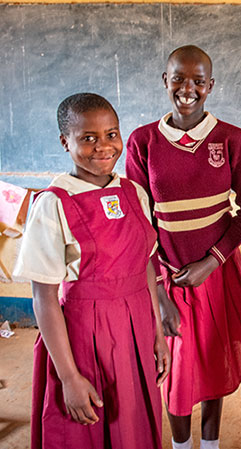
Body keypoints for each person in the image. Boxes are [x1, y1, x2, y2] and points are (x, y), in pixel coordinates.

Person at [14, 93, 169, 449]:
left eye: (111, 134)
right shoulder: (53, 203)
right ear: (64, 141)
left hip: (135, 331)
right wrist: (68, 377)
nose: (103, 147)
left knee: (133, 427)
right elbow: (44, 298)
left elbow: (145, 265)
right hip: (84, 340)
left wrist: (157, 335)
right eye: (88, 138)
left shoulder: (133, 192)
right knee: (87, 430)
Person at [126, 45, 241, 449]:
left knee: (216, 361)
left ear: (211, 86)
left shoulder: (230, 138)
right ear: (165, 81)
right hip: (170, 277)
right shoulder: (143, 141)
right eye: (179, 79)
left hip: (216, 274)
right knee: (177, 371)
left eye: (198, 81)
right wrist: (161, 291)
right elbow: (140, 222)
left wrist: (211, 262)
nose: (188, 88)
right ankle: (182, 445)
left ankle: (210, 443)